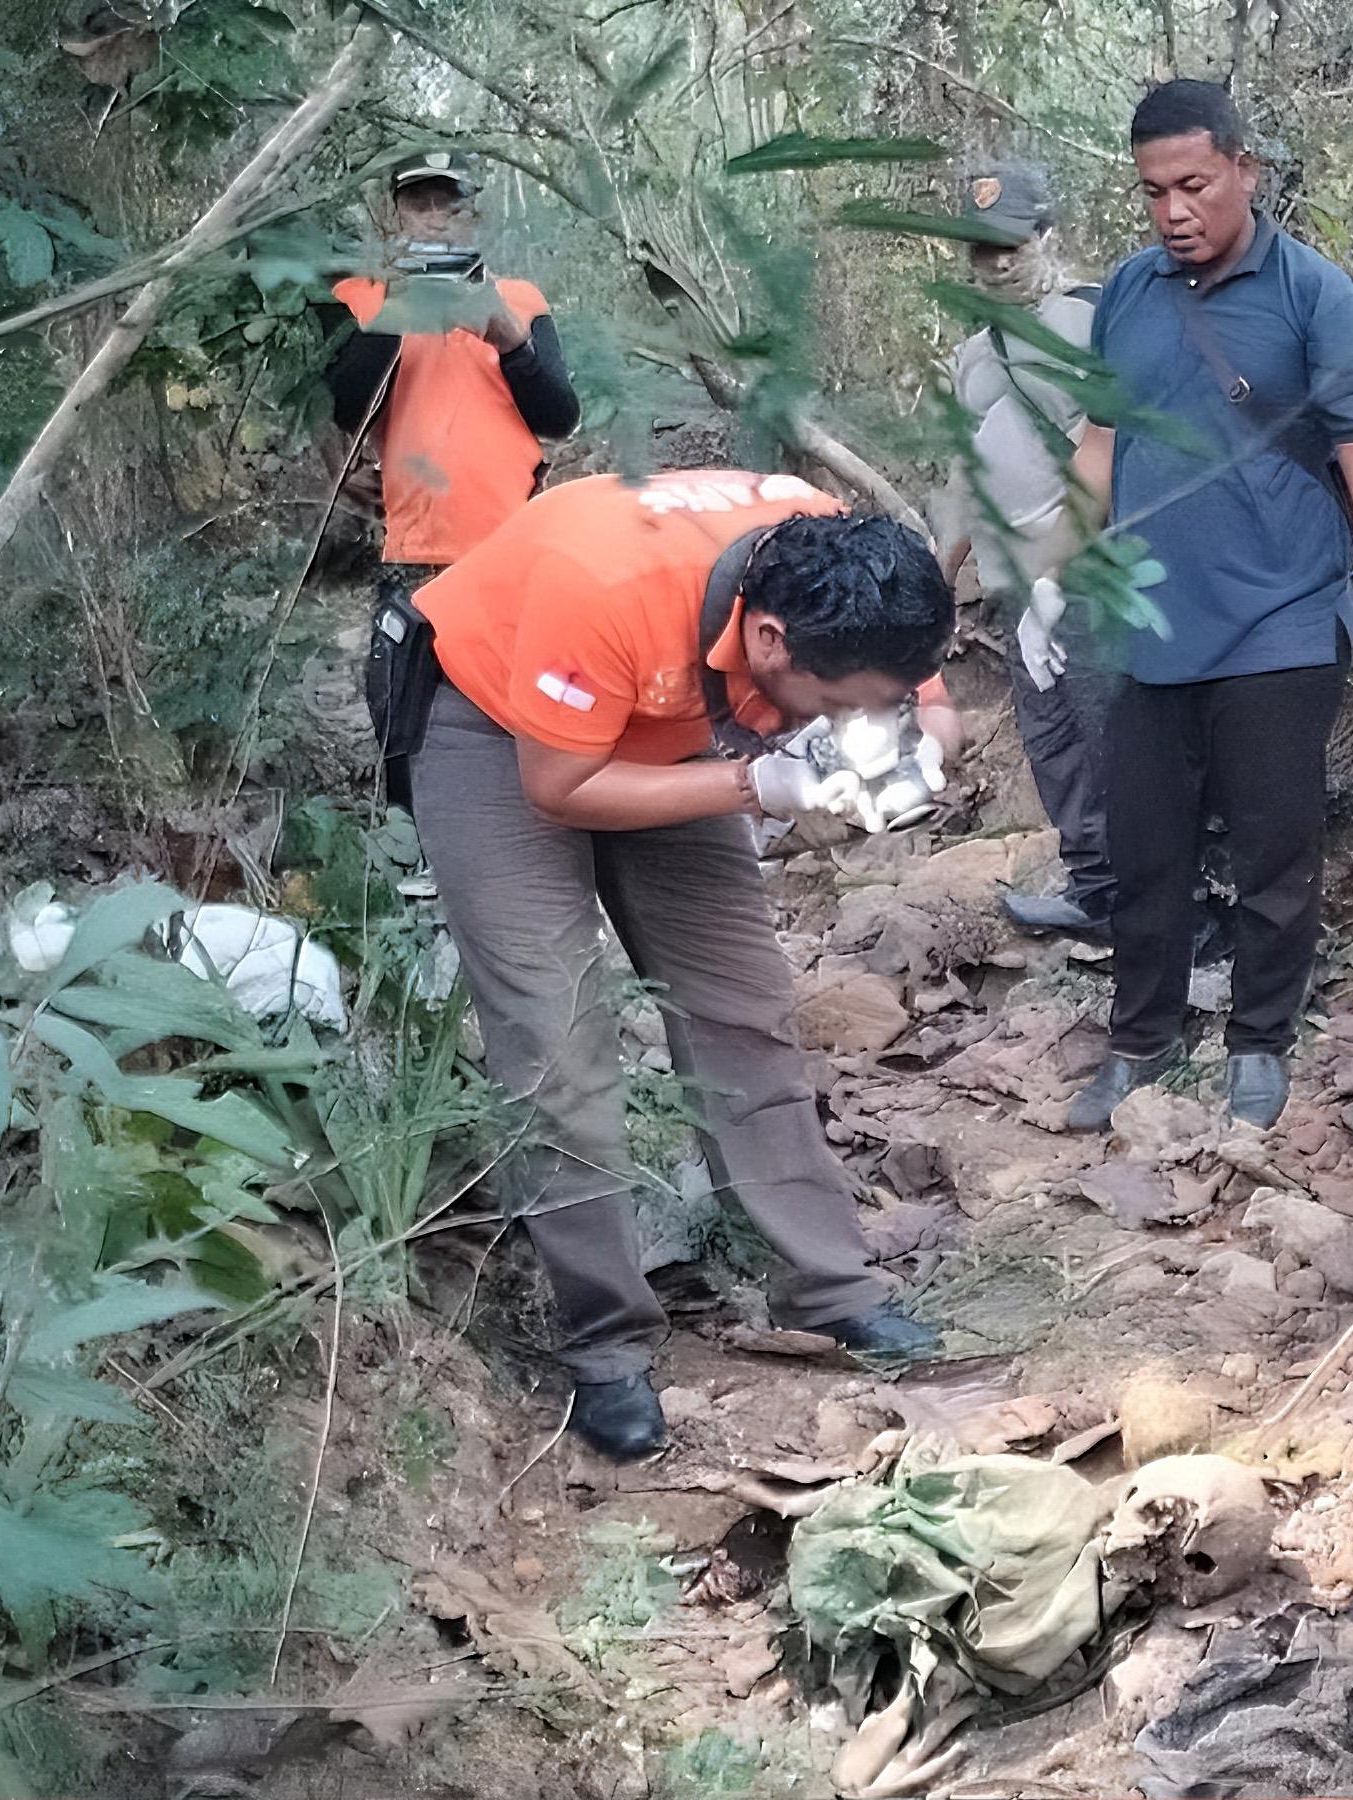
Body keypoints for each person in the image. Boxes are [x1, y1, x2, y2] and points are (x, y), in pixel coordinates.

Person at [409, 467, 954, 1461]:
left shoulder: (860, 580)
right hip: (501, 731)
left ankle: (833, 1289)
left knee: (742, 1007)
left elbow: (928, 710)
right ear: (768, 640)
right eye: (827, 706)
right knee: (556, 1038)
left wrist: (909, 758)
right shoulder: (603, 583)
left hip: (675, 728)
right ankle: (606, 1348)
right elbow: (562, 785)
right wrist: (760, 779)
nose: (832, 722)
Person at [1062, 79, 1353, 1134]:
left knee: (1274, 850)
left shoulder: (1311, 294)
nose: (1174, 210)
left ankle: (1259, 1043)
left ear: (1246, 168)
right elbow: (1098, 445)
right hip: (1147, 626)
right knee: (1145, 850)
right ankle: (1140, 1041)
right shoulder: (1128, 295)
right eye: (1154, 192)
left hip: (1279, 620)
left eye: (1193, 184)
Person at [929, 161, 1119, 937]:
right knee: (1054, 738)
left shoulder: (1094, 319)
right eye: (981, 249)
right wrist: (937, 579)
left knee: (1118, 736)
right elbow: (962, 474)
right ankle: (1096, 891)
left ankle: (1176, 901)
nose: (998, 261)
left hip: (1088, 570)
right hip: (1011, 581)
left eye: (1012, 242)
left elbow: (1116, 444)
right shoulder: (973, 356)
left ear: (1046, 235)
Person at [325, 150, 579, 595]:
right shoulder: (363, 299)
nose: (436, 219)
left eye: (451, 204)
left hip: (512, 541)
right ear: (395, 215)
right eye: (419, 204)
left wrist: (512, 342)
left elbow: (560, 420)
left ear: (474, 214)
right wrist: (399, 311)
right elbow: (346, 410)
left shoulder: (521, 300)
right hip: (413, 547)